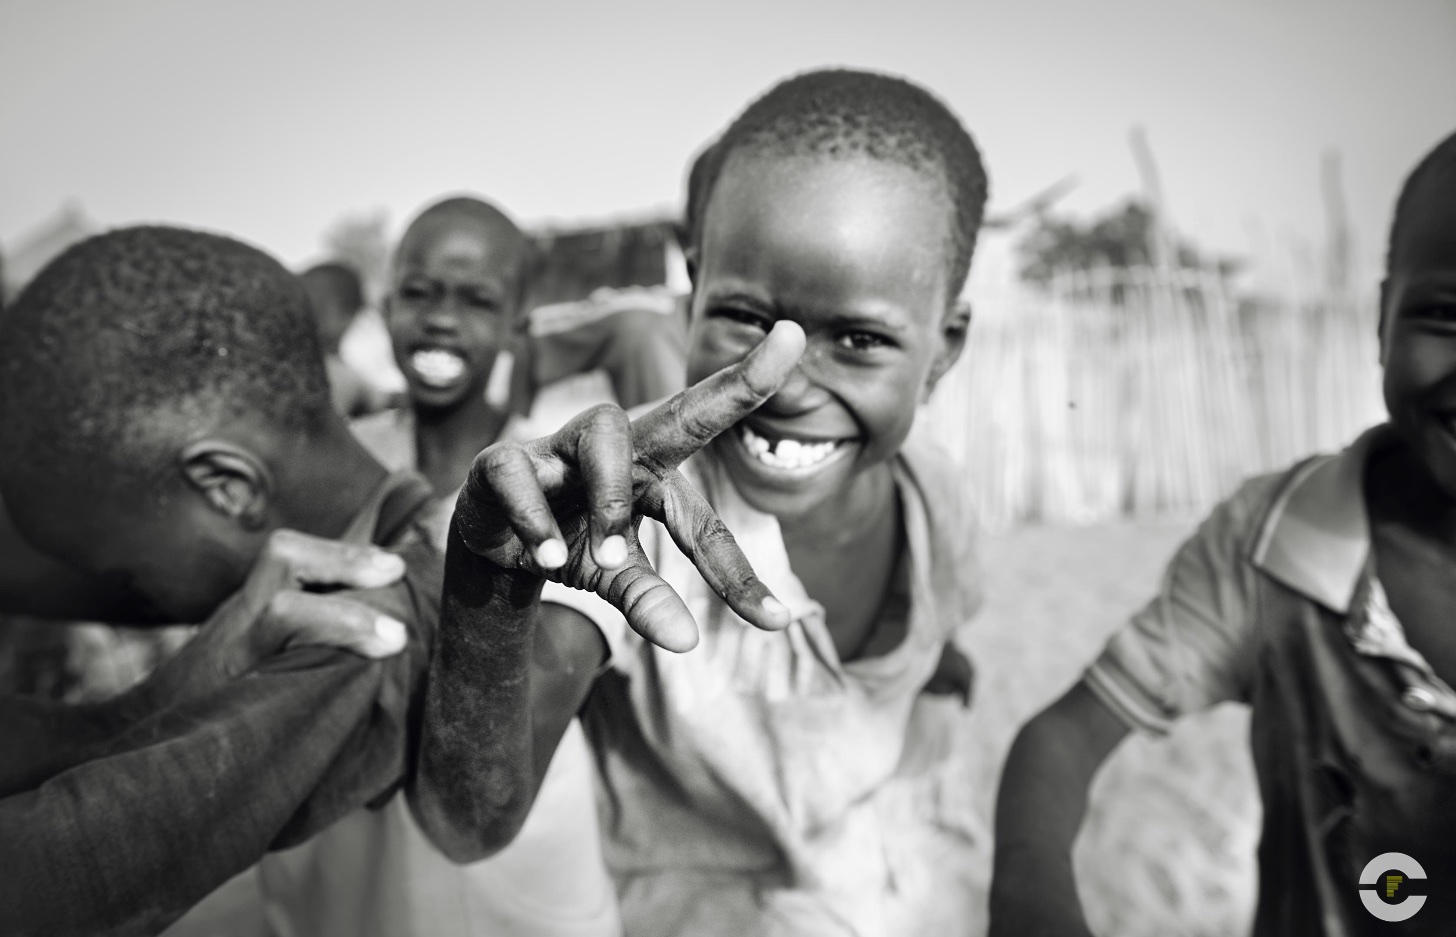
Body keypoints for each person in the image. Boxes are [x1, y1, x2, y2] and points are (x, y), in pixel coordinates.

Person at [0, 223, 799, 937]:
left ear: (228, 485)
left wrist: (482, 589)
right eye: (416, 291)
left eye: (119, 572)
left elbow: (475, 815)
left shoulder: (494, 533)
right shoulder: (339, 509)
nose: (108, 594)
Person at [415, 68, 987, 937]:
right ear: (691, 290)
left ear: (943, 348)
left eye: (860, 339)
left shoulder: (936, 495)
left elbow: (941, 649)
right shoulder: (626, 527)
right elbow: (467, 821)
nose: (784, 384)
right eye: (745, 317)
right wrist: (489, 586)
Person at [989, 130, 1456, 937]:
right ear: (1382, 319)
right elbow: (1061, 740)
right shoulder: (1273, 545)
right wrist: (1031, 900)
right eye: (1447, 315)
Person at [299, 260, 396, 418]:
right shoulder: (336, 376)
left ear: (348, 314)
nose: (303, 311)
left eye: (318, 304)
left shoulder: (337, 374)